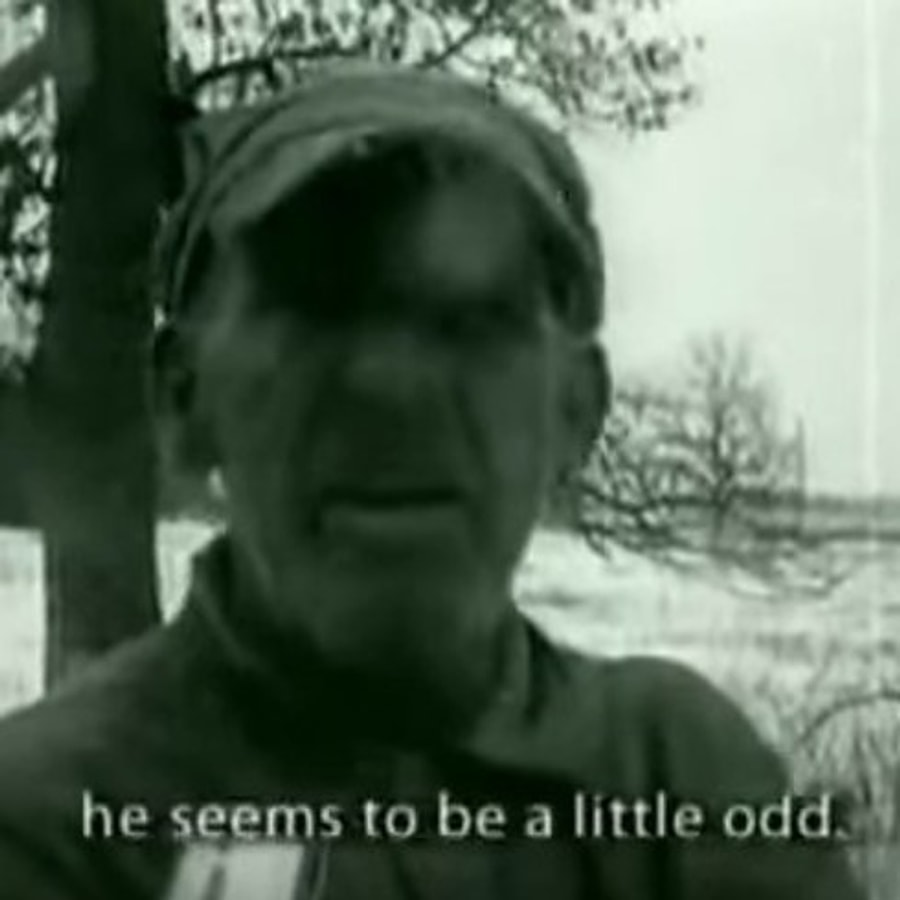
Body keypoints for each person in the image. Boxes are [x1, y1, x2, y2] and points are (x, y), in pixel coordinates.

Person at [0, 64, 863, 900]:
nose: (394, 388)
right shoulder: (46, 819)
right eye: (317, 308)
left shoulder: (676, 773)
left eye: (474, 318)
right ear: (184, 398)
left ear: (576, 408)